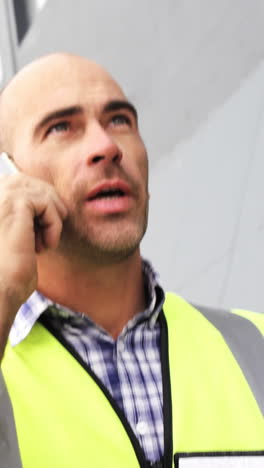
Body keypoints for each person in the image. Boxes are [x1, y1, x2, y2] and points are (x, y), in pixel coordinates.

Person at [0, 53, 263, 468]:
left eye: (119, 120)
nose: (106, 147)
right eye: (61, 127)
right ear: (9, 178)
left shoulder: (256, 345)